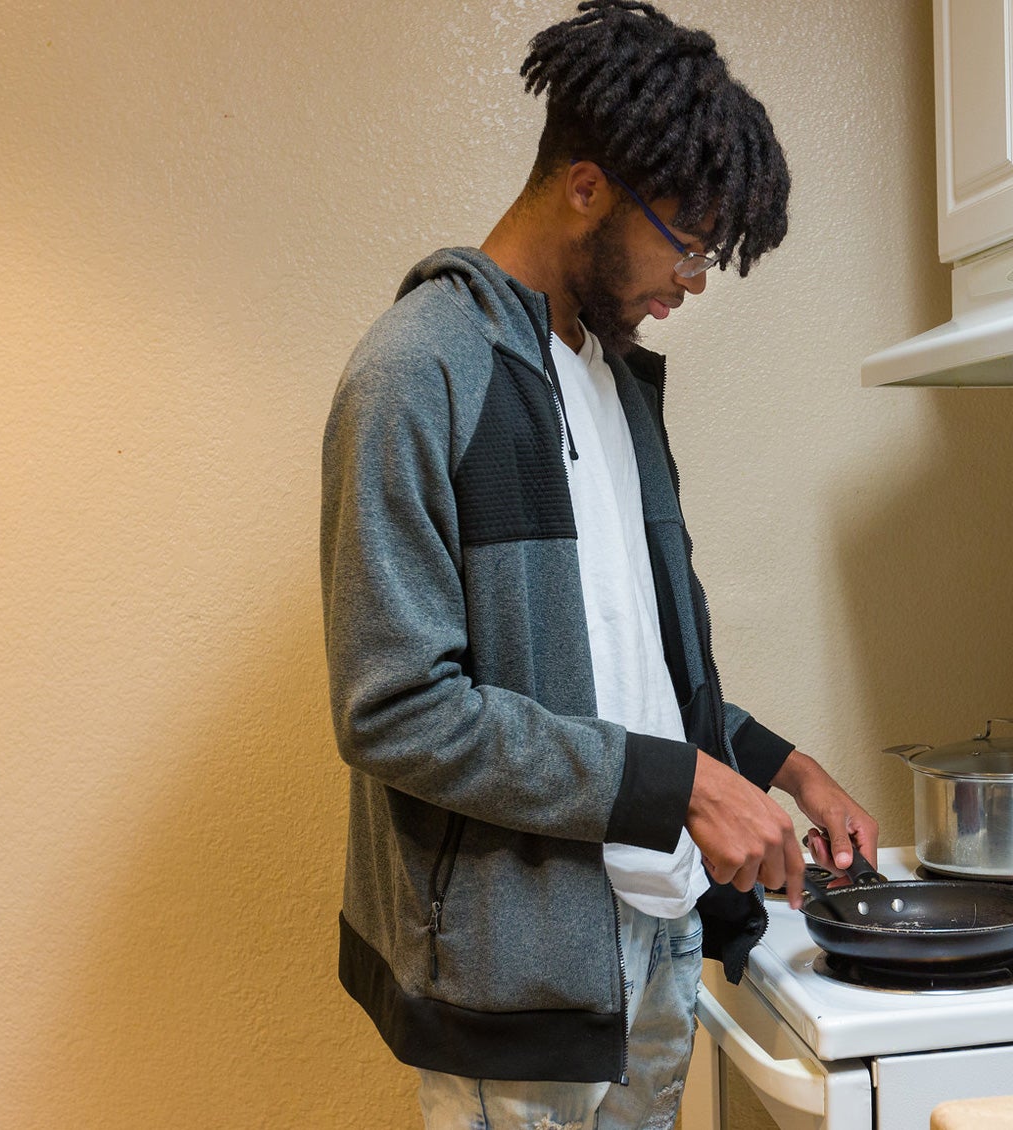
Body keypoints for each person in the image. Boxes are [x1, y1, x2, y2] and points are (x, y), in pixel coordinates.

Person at [318, 3, 878, 1126]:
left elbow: (627, 664)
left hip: (655, 935)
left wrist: (779, 763)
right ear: (585, 187)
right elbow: (395, 710)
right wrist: (684, 786)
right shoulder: (416, 372)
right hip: (518, 974)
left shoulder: (615, 385)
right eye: (688, 240)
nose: (697, 280)